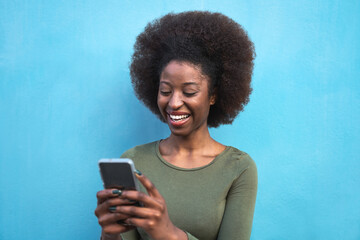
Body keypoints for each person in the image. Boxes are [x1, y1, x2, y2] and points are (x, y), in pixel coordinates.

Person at [95, 11, 257, 240]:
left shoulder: (239, 168)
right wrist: (109, 232)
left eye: (189, 91)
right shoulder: (135, 161)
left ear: (213, 95)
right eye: (165, 91)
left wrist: (169, 234)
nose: (174, 103)